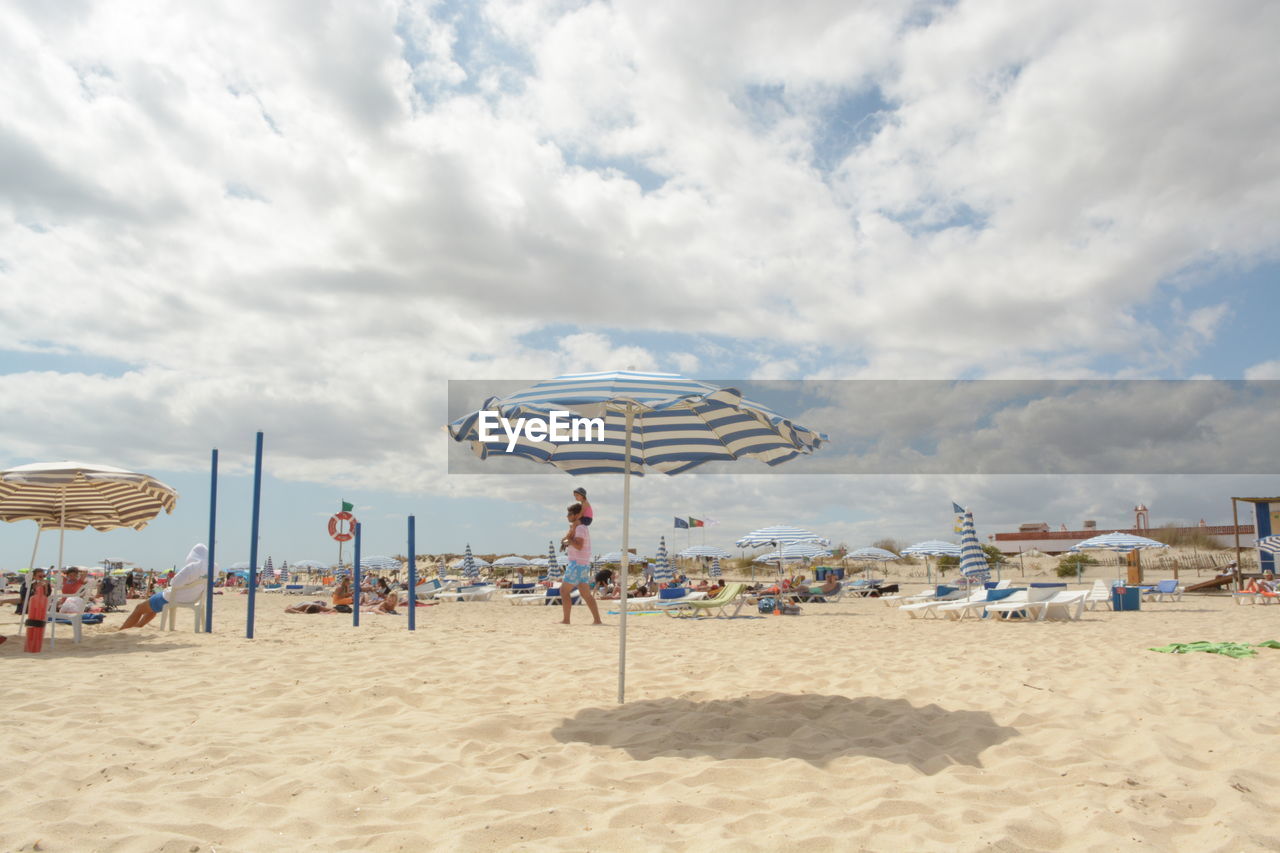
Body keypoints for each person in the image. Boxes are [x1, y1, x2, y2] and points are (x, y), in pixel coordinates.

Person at [119, 545, 208, 630]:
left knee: (139, 608)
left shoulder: (192, 567)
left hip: (173, 597)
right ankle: (137, 627)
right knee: (152, 609)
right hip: (193, 598)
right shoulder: (211, 568)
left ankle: (122, 630)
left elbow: (174, 583)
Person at [559, 503, 603, 625]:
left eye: (570, 514)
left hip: (576, 563)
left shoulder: (579, 528)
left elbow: (579, 545)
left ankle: (566, 620)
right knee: (586, 594)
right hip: (582, 564)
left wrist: (569, 541)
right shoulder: (581, 527)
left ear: (577, 515)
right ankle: (597, 620)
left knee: (564, 591)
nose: (567, 516)